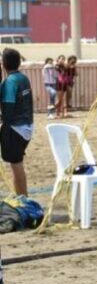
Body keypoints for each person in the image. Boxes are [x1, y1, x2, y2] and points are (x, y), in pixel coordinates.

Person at [0, 49, 32, 197]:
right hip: (27, 127)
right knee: (16, 164)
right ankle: (20, 198)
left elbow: (8, 109)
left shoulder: (10, 82)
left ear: (4, 63)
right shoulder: (23, 78)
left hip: (16, 128)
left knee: (16, 164)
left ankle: (24, 201)